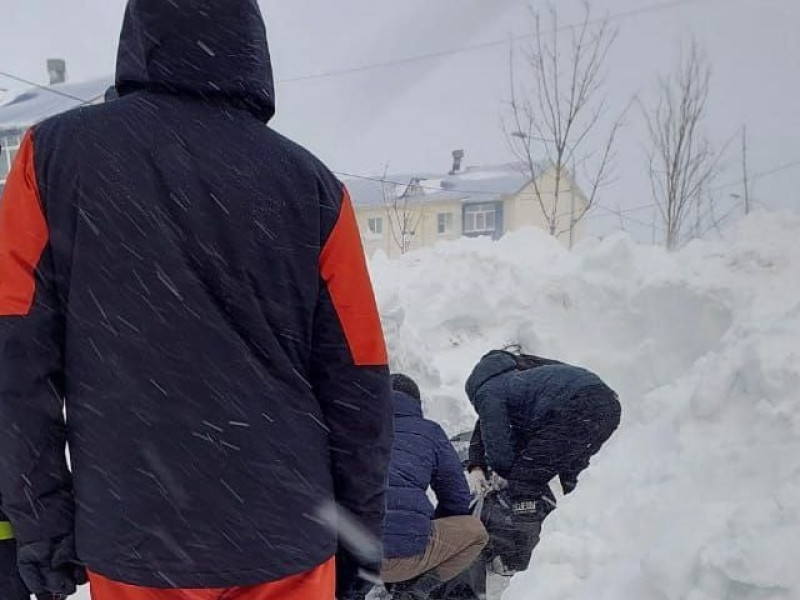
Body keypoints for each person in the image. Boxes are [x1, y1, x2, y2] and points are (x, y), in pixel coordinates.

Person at [0, 1, 393, 599]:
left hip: (134, 533)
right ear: (250, 44)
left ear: (140, 34)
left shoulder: (51, 160)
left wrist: (41, 522)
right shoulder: (311, 185)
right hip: (286, 535)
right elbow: (358, 379)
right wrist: (359, 537)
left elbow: (14, 357)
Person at [465, 349, 621, 572]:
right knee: (573, 476)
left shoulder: (488, 390)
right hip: (605, 406)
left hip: (577, 407)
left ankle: (522, 563)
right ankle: (580, 536)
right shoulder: (526, 374)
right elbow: (486, 427)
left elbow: (496, 441)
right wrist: (477, 462)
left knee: (525, 481)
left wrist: (507, 476)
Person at [368, 374, 488, 600]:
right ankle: (416, 590)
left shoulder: (350, 427)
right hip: (403, 559)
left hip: (345, 557)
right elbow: (457, 499)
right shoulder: (429, 431)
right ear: (416, 402)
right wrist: (427, 527)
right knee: (476, 533)